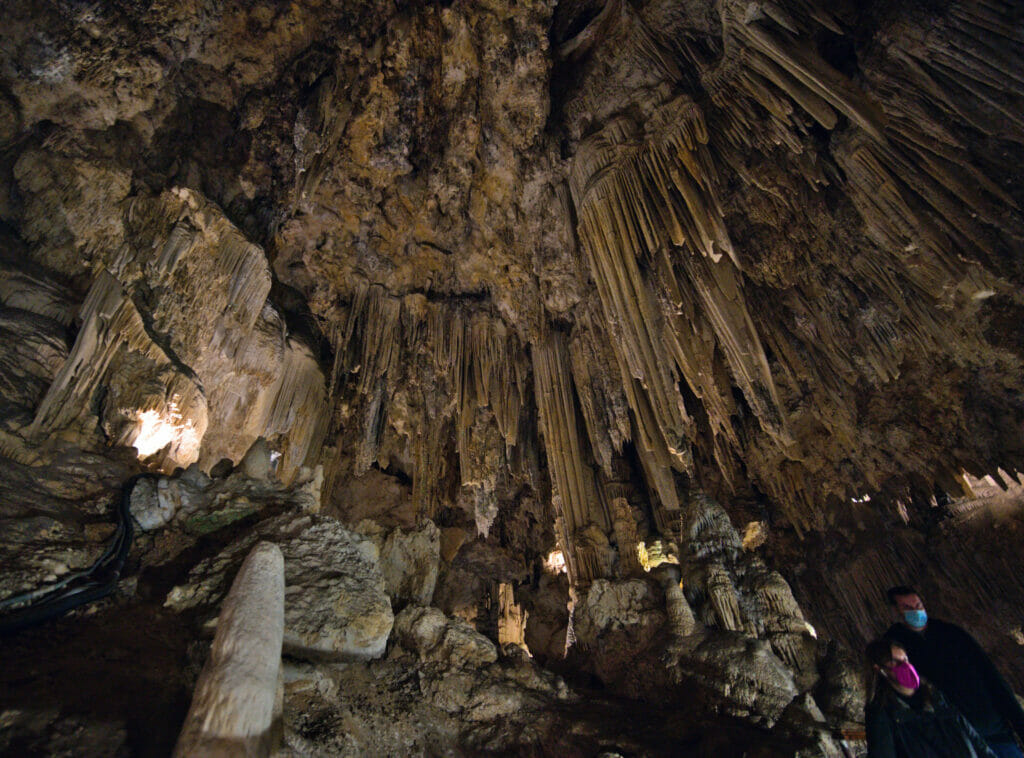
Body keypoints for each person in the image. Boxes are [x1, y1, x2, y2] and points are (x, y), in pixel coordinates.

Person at [886, 585, 1024, 758]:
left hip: (991, 728)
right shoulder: (896, 647)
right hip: (952, 741)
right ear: (895, 612)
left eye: (918, 606)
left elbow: (991, 677)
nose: (915, 611)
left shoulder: (951, 634)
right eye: (907, 608)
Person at [864, 637, 996, 757]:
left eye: (905, 660)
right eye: (895, 663)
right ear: (879, 669)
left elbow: (974, 740)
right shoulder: (882, 711)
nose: (906, 666)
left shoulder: (936, 697)